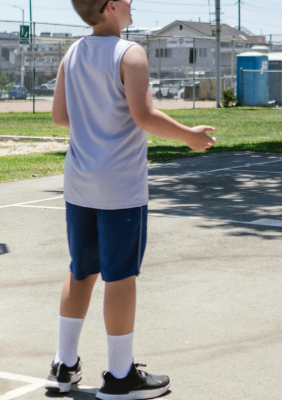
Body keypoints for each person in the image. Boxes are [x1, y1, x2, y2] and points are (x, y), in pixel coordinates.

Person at [47, 0, 217, 397]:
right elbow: (143, 116)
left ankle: (64, 365)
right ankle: (121, 376)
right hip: (119, 184)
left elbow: (60, 115)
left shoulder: (72, 52)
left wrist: (96, 124)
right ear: (110, 7)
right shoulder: (130, 52)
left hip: (79, 180)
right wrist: (190, 135)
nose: (131, 2)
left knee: (81, 270)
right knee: (120, 275)